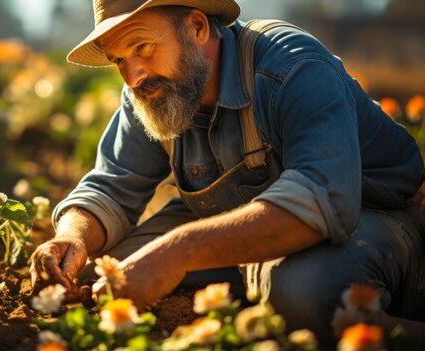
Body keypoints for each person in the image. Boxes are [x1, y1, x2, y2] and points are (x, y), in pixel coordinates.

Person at [29, 0, 425, 344]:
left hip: (366, 217)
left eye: (142, 47)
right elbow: (112, 187)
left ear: (197, 27)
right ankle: (255, 290)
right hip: (235, 228)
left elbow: (323, 200)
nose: (133, 75)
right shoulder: (152, 91)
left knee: (307, 295)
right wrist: (71, 238)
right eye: (119, 60)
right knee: (106, 277)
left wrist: (178, 252)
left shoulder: (292, 67)